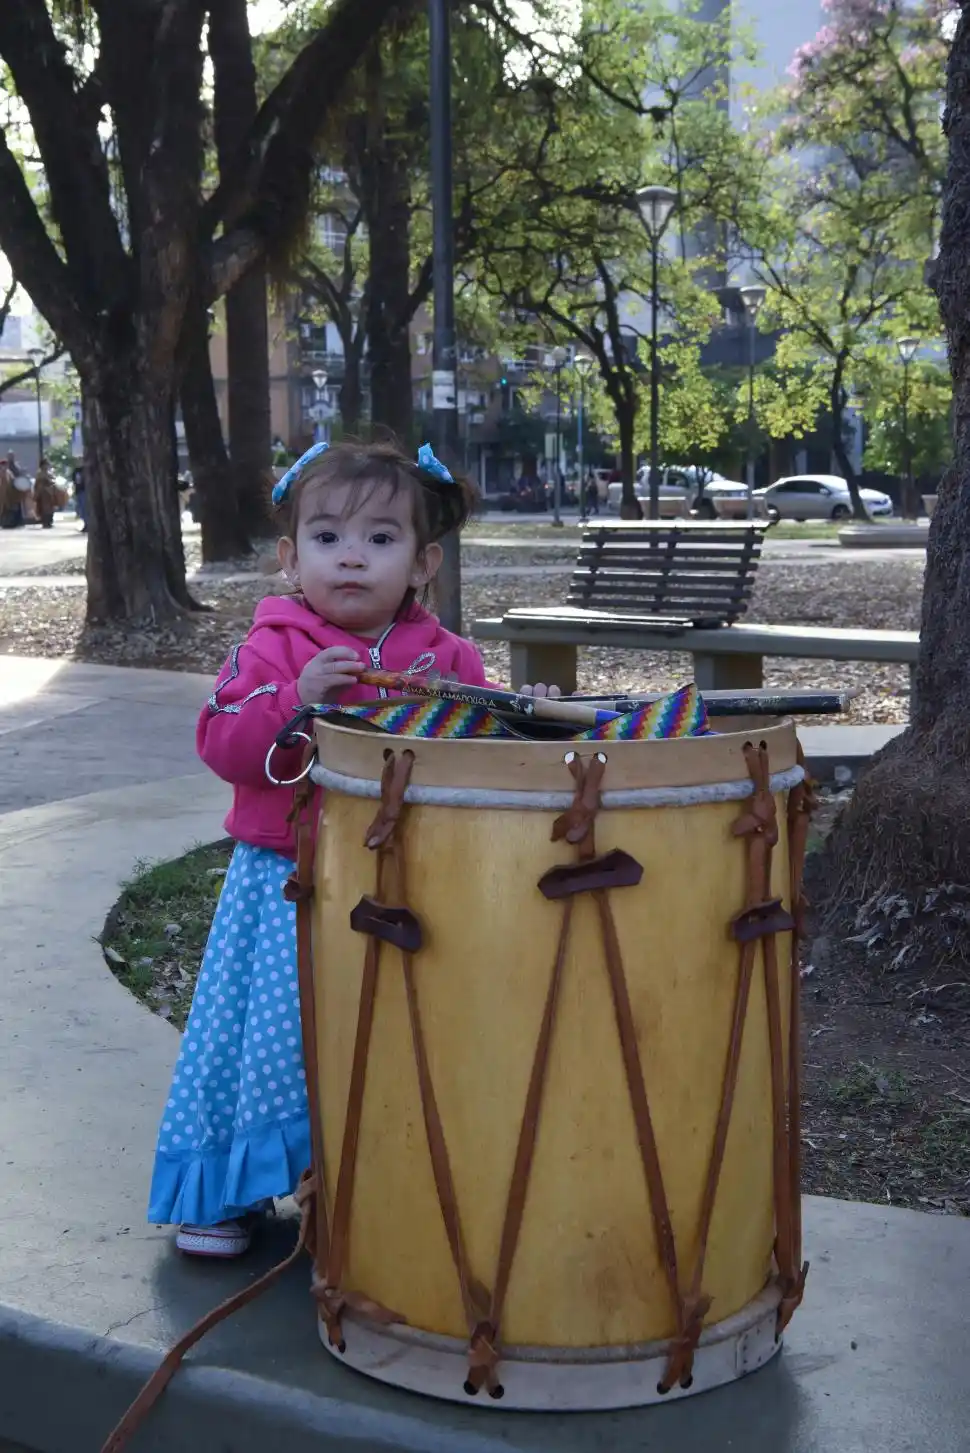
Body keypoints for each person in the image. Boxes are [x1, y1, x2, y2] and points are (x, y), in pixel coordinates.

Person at [147, 438, 558, 1257]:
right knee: (268, 1040)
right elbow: (223, 741)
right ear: (290, 559)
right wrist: (295, 702)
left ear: (422, 563)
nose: (352, 557)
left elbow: (483, 750)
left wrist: (526, 716)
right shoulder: (270, 649)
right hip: (288, 884)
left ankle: (380, 1184)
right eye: (328, 538)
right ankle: (232, 1189)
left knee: (395, 1042)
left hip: (413, 889)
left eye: (380, 538)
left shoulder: (449, 658)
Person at [33, 457, 58, 529]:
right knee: (44, 509)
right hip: (43, 494)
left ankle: (50, 521)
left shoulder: (49, 473)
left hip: (50, 494)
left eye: (48, 464)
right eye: (46, 464)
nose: (47, 466)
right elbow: (38, 484)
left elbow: (53, 481)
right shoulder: (40, 473)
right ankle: (45, 522)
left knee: (50, 508)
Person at [72, 465, 87, 533]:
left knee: (84, 508)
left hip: (84, 491)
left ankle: (87, 524)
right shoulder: (76, 471)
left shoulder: (85, 470)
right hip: (79, 491)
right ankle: (85, 523)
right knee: (80, 509)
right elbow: (75, 481)